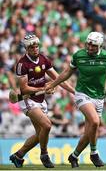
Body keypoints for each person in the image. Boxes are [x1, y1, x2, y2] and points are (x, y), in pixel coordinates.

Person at [45, 31, 106, 168]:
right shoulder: (79, 55)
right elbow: (66, 73)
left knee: (89, 132)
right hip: (82, 94)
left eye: (93, 46)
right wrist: (52, 84)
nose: (89, 48)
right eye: (88, 44)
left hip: (99, 97)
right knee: (95, 121)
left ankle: (74, 156)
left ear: (100, 46)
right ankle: (94, 153)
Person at [9, 34, 75, 168]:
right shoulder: (22, 64)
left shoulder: (44, 59)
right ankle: (44, 155)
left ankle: (18, 155)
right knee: (47, 125)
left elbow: (59, 79)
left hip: (40, 100)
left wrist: (74, 92)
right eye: (32, 47)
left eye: (36, 46)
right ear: (26, 48)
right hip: (28, 100)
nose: (35, 49)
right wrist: (45, 88)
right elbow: (24, 88)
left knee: (40, 134)